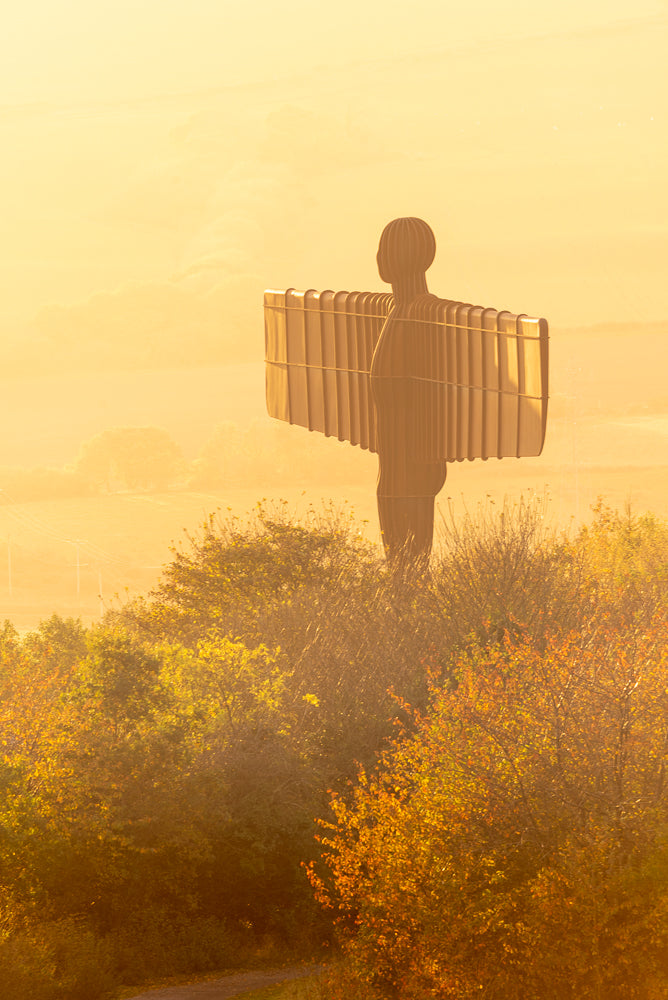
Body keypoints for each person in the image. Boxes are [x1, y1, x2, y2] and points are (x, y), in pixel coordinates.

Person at [370, 217, 447, 569]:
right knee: (397, 566)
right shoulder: (393, 310)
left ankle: (412, 611)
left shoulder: (426, 314)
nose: (379, 258)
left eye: (387, 249)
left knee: (411, 565)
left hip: (414, 467)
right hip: (390, 468)